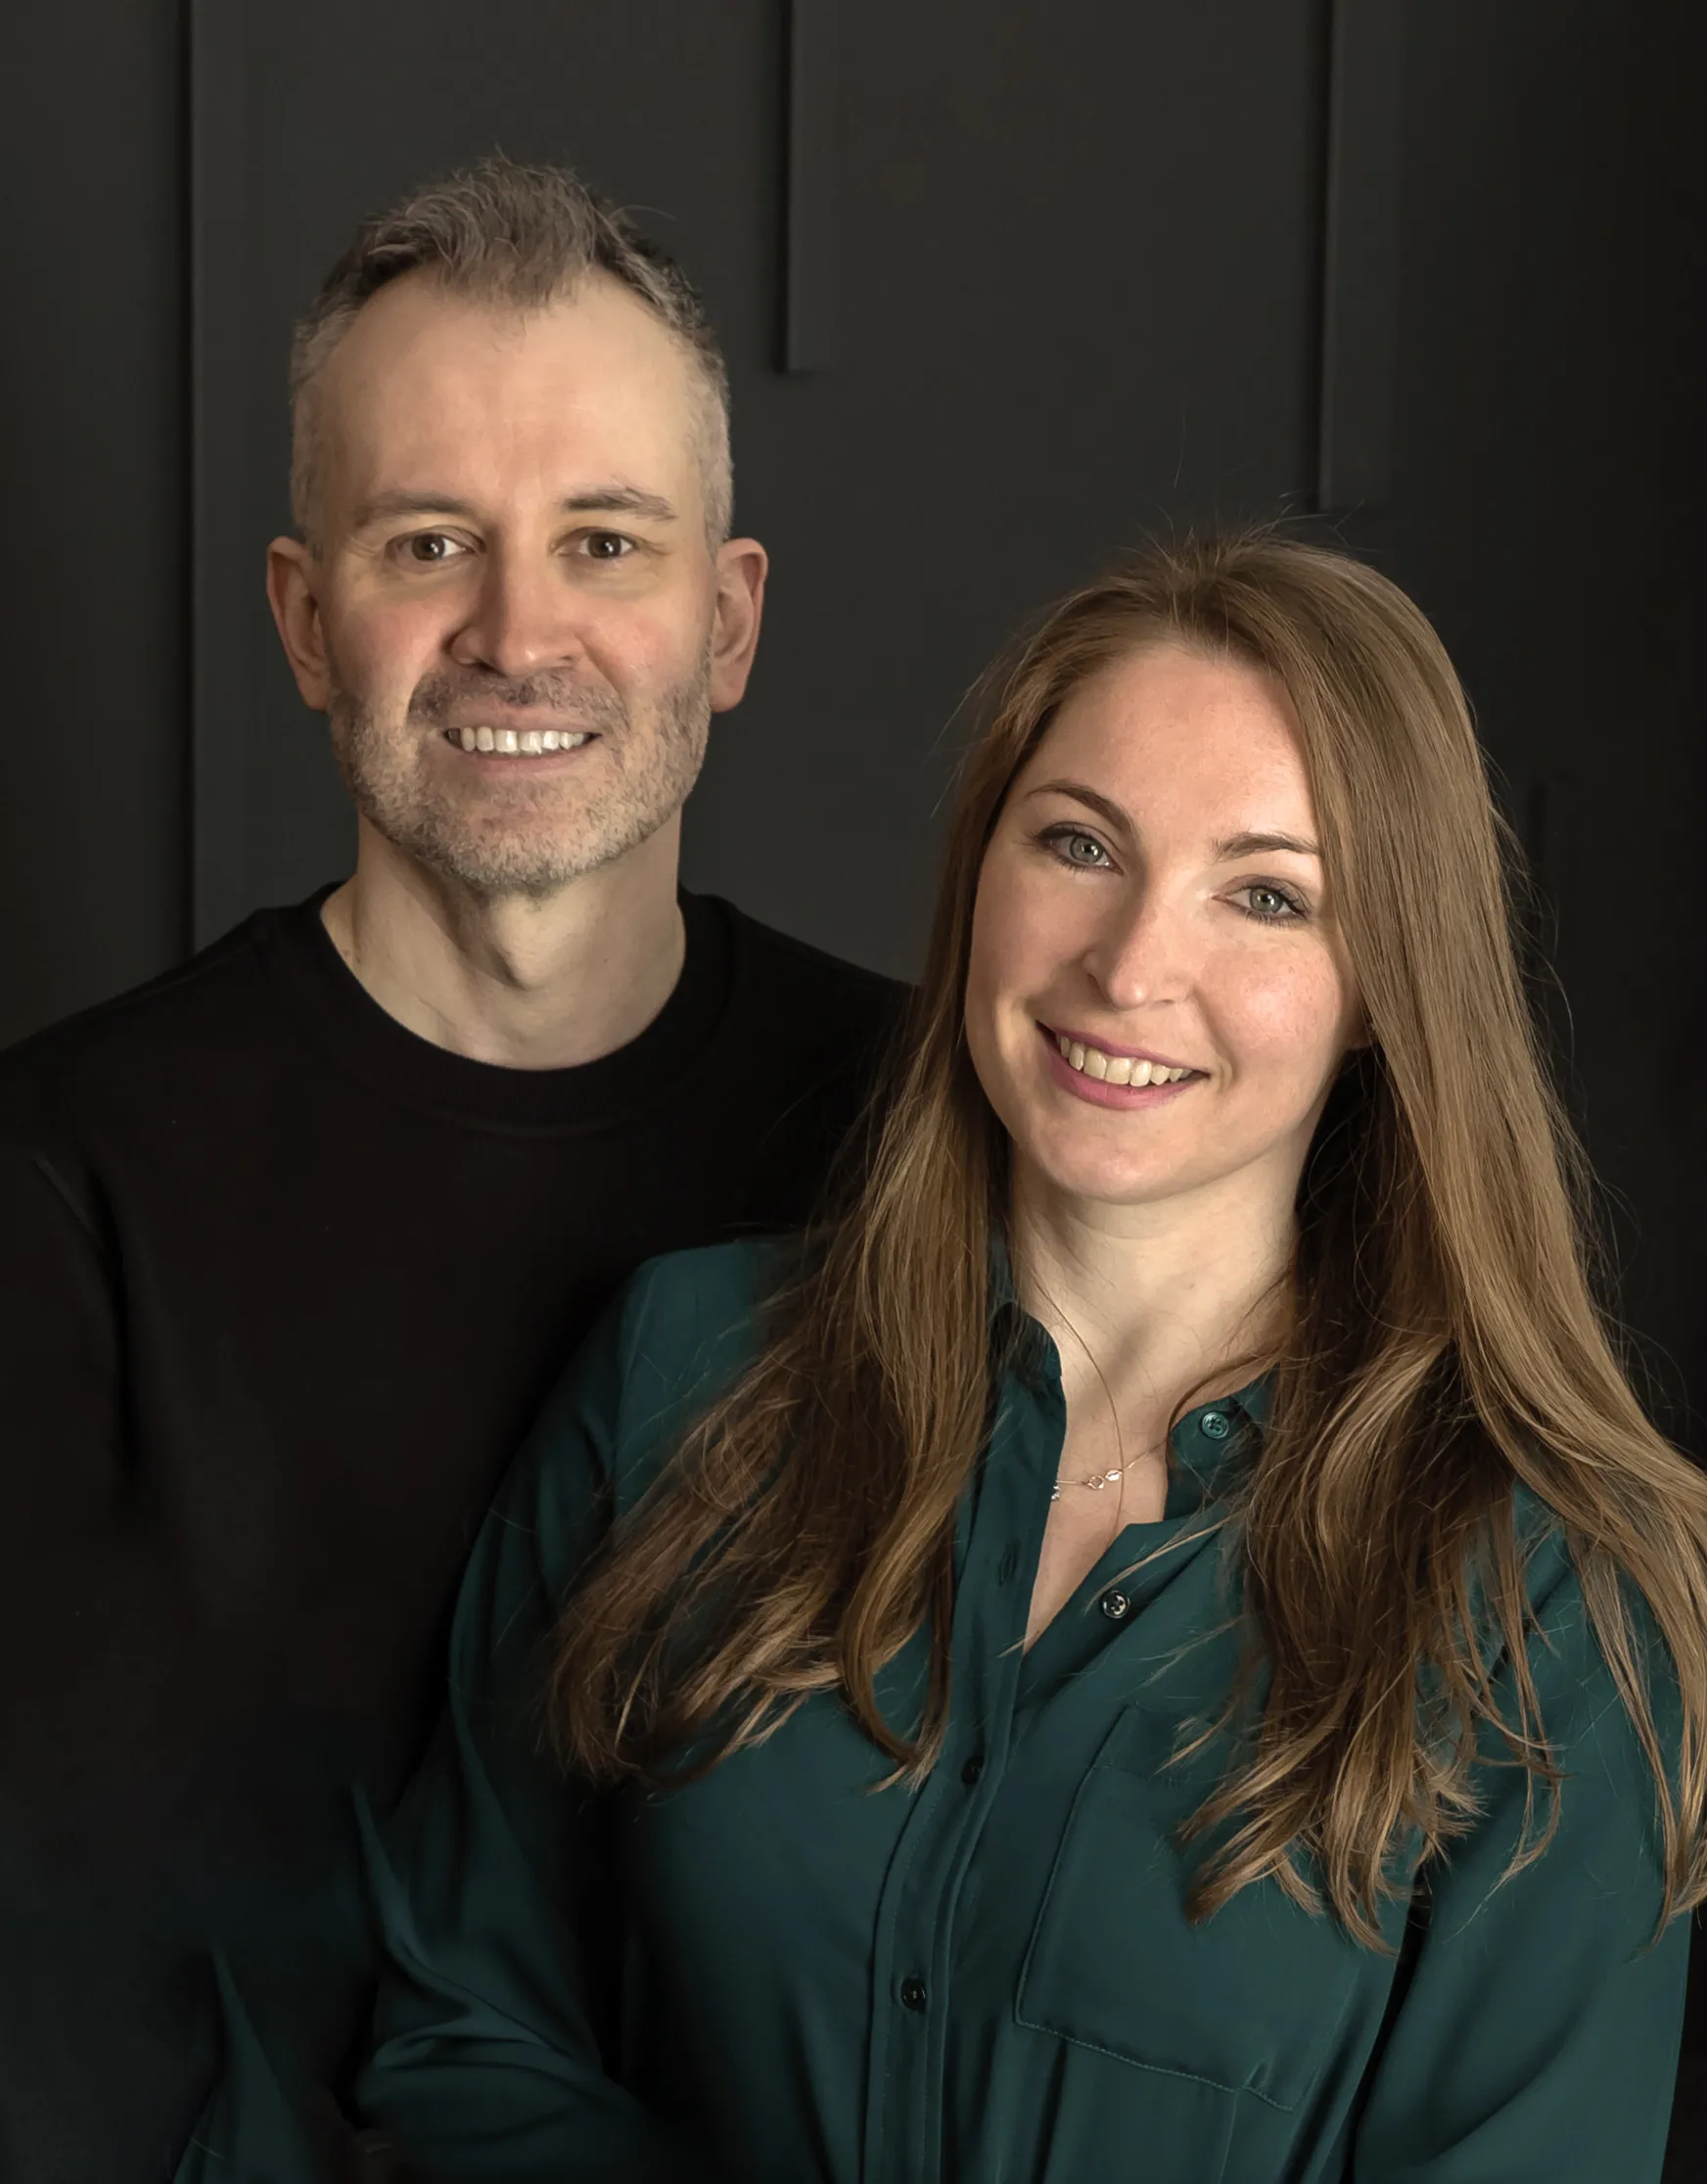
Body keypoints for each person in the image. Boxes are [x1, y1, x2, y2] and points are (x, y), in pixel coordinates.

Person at [300, 531, 1705, 2183]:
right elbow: (468, 2027)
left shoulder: (1560, 1603)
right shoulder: (684, 1372)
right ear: (981, 871)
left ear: (1385, 988)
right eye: (1079, 843)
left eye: (1266, 892)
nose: (1129, 966)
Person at [0, 158, 900, 2183]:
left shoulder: (923, 1135)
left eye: (603, 540)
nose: (519, 631)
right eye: (431, 543)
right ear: (309, 621)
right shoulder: (61, 1193)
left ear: (727, 618)